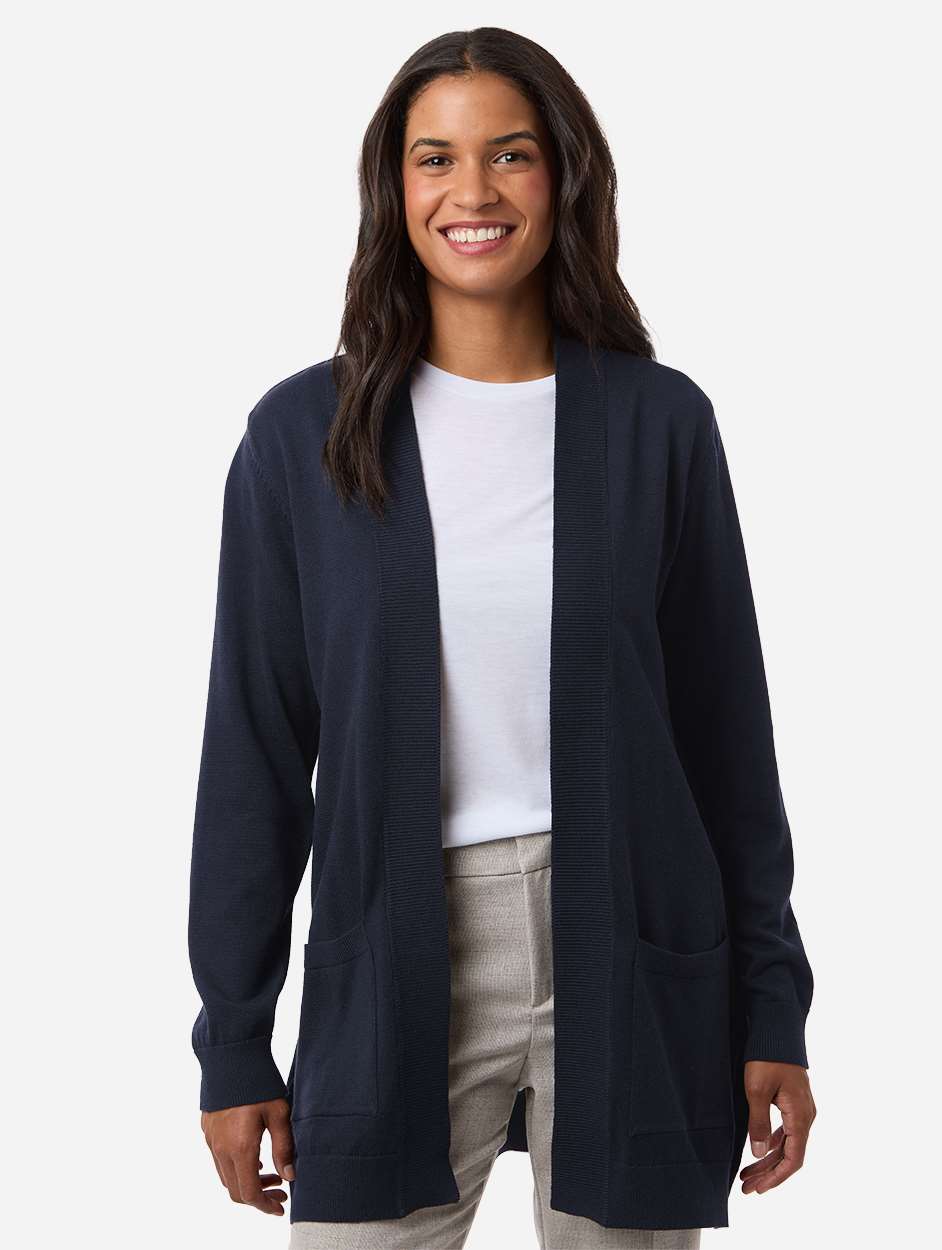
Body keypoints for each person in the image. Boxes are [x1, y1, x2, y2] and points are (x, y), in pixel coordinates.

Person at [188, 26, 817, 1250]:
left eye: (510, 154)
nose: (471, 191)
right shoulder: (305, 436)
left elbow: (727, 743)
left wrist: (771, 1005)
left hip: (635, 940)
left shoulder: (658, 424)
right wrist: (233, 1037)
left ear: (563, 176)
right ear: (394, 188)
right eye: (435, 158)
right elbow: (253, 753)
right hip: (397, 946)